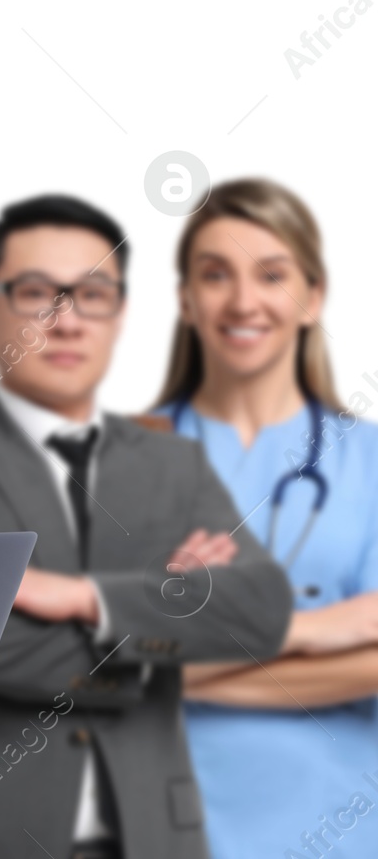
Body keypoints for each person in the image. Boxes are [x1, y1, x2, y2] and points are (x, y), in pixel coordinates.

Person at [0, 195, 294, 859]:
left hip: (155, 838)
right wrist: (166, 638)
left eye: (93, 295)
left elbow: (260, 612)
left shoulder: (174, 462)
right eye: (38, 293)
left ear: (120, 314)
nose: (67, 322)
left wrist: (85, 599)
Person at [149, 179, 378, 857]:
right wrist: (312, 631)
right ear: (186, 300)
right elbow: (85, 665)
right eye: (215, 275)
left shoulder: (370, 459)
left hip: (337, 824)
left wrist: (169, 672)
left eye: (271, 275)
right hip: (156, 824)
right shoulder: (124, 455)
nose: (243, 301)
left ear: (312, 297)